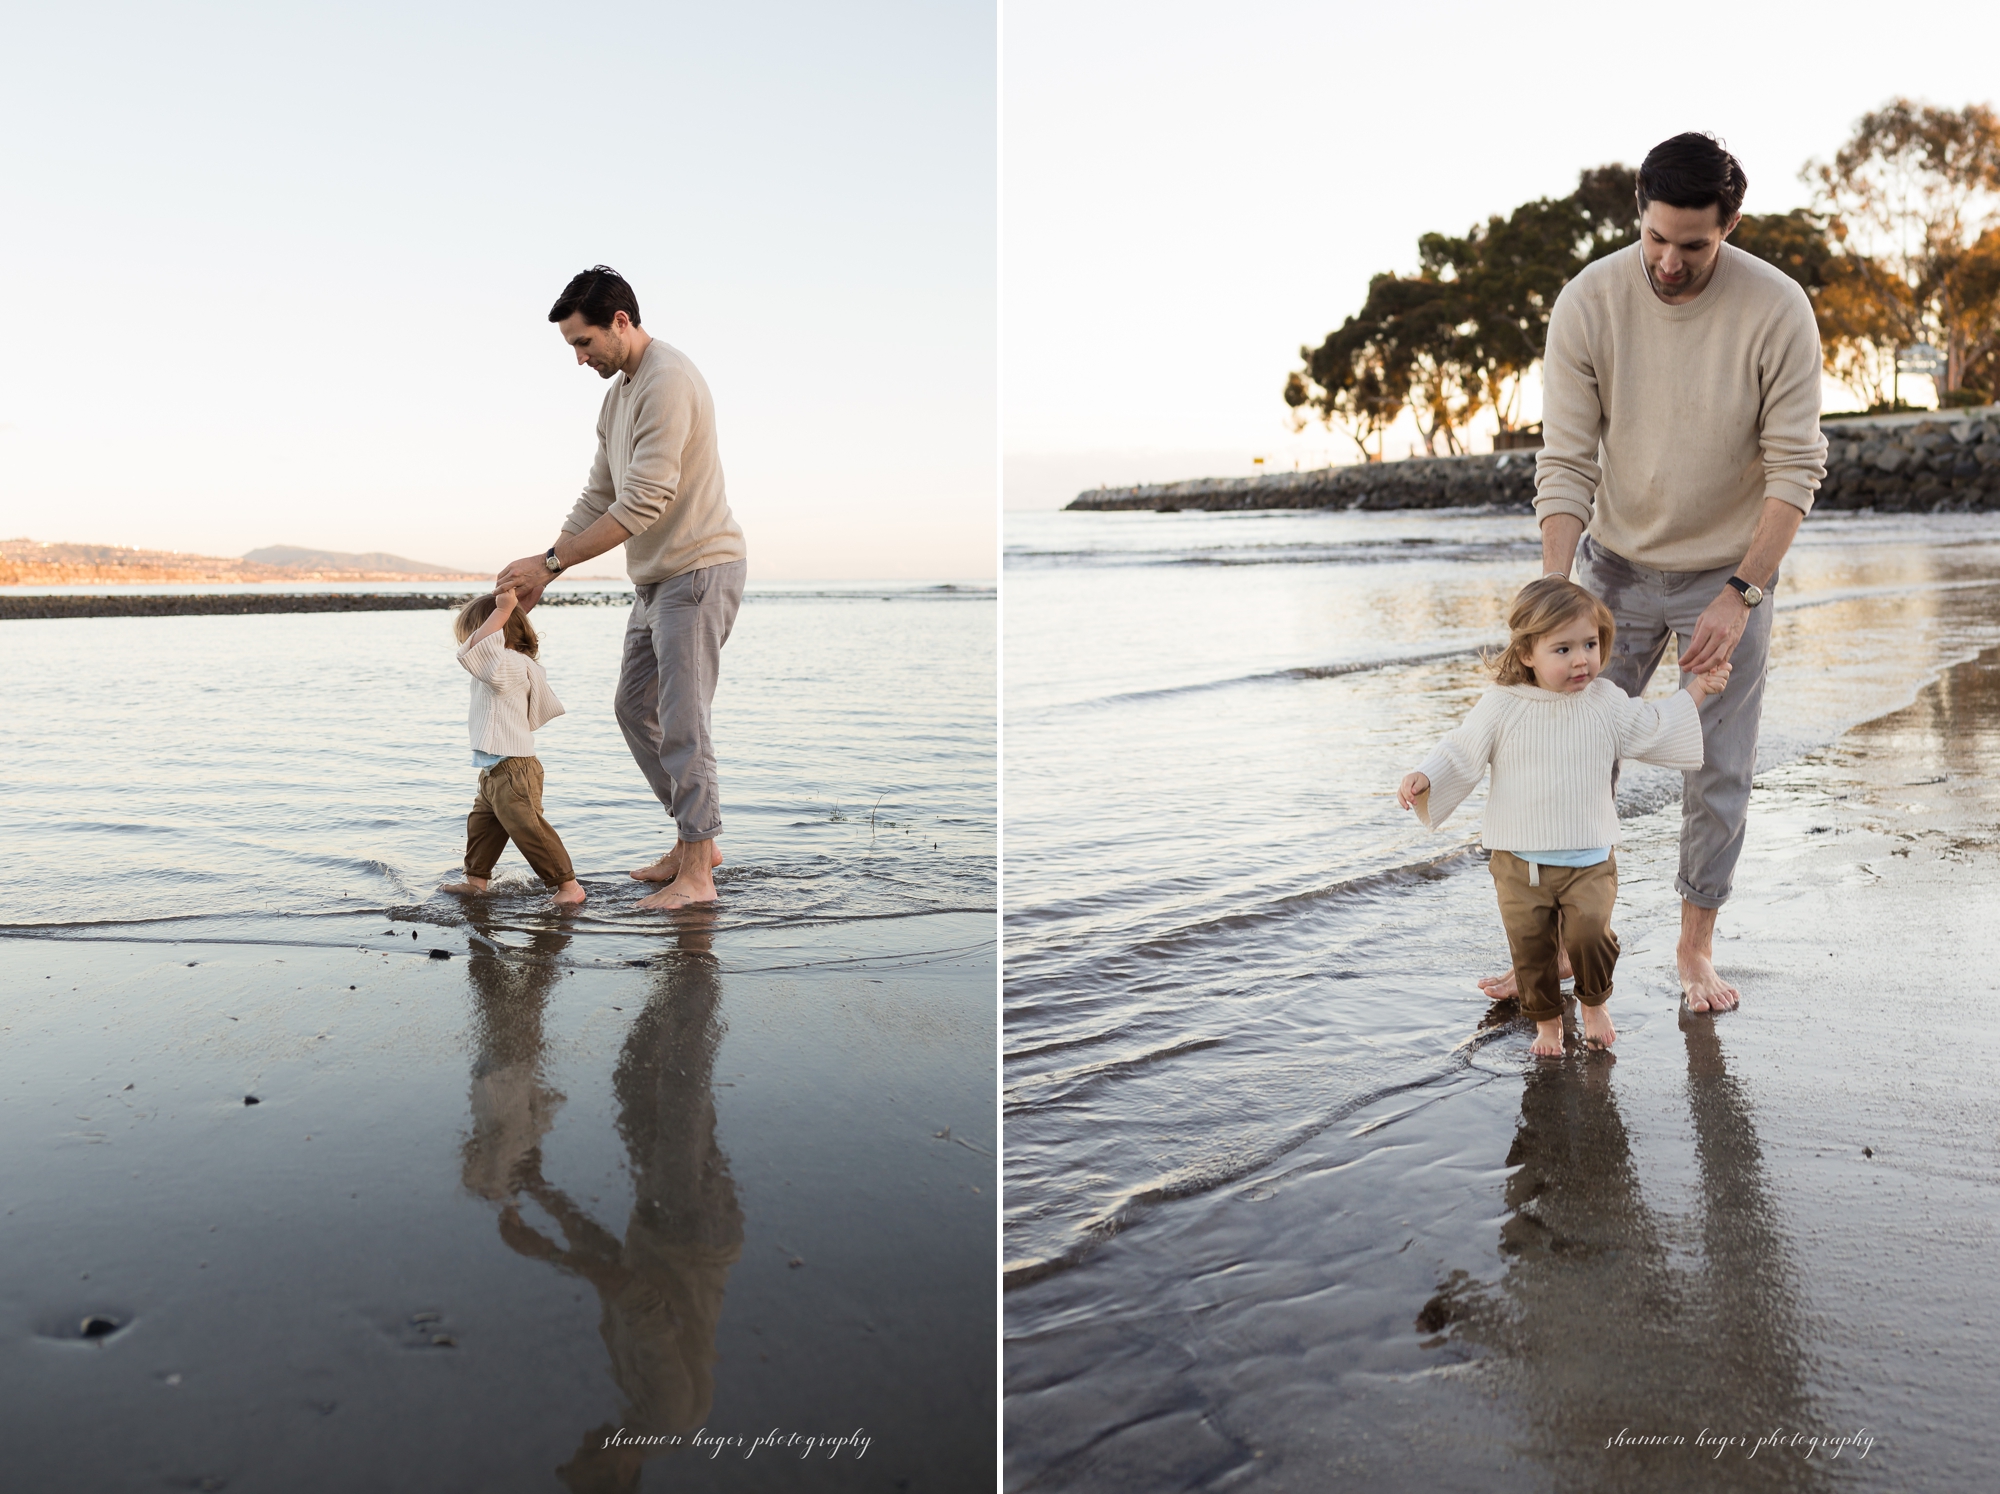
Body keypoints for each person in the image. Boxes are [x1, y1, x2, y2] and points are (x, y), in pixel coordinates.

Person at [1512, 131, 1828, 1014]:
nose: (1669, 262)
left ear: (1731, 226)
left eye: (1694, 244)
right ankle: (1561, 949)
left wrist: (1743, 591)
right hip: (1613, 566)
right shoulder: (1588, 300)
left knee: (1717, 767)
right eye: (1655, 238)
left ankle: (1695, 950)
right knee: (1570, 752)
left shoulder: (1777, 306)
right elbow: (1566, 460)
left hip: (1729, 570)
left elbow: (1795, 468)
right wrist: (1558, 594)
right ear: (1638, 216)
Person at [495, 266, 749, 912]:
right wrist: (544, 571)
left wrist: (550, 563)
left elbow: (642, 503)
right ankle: (695, 842)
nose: (580, 360)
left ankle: (698, 874)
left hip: (698, 570)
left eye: (583, 343)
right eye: (571, 348)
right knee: (634, 708)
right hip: (656, 579)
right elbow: (599, 496)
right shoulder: (617, 399)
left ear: (620, 322)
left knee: (684, 720)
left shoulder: (668, 380)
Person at [1399, 578, 1729, 1056]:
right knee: (1530, 948)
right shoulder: (1503, 704)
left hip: (1588, 859)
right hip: (1519, 863)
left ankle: (1594, 1003)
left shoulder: (1605, 701)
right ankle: (1548, 1023)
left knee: (1591, 936)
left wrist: (1697, 688)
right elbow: (1461, 750)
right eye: (1563, 649)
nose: (1581, 660)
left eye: (1590, 645)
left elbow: (1654, 725)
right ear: (1527, 653)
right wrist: (1425, 776)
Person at [440, 589, 586, 909]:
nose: (469, 641)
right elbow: (481, 647)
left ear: (496, 633)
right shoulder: (505, 664)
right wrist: (507, 614)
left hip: (513, 768)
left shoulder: (506, 664)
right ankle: (476, 881)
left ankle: (568, 885)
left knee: (528, 829)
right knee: (482, 827)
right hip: (495, 767)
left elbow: (478, 647)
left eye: (473, 633)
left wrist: (503, 610)